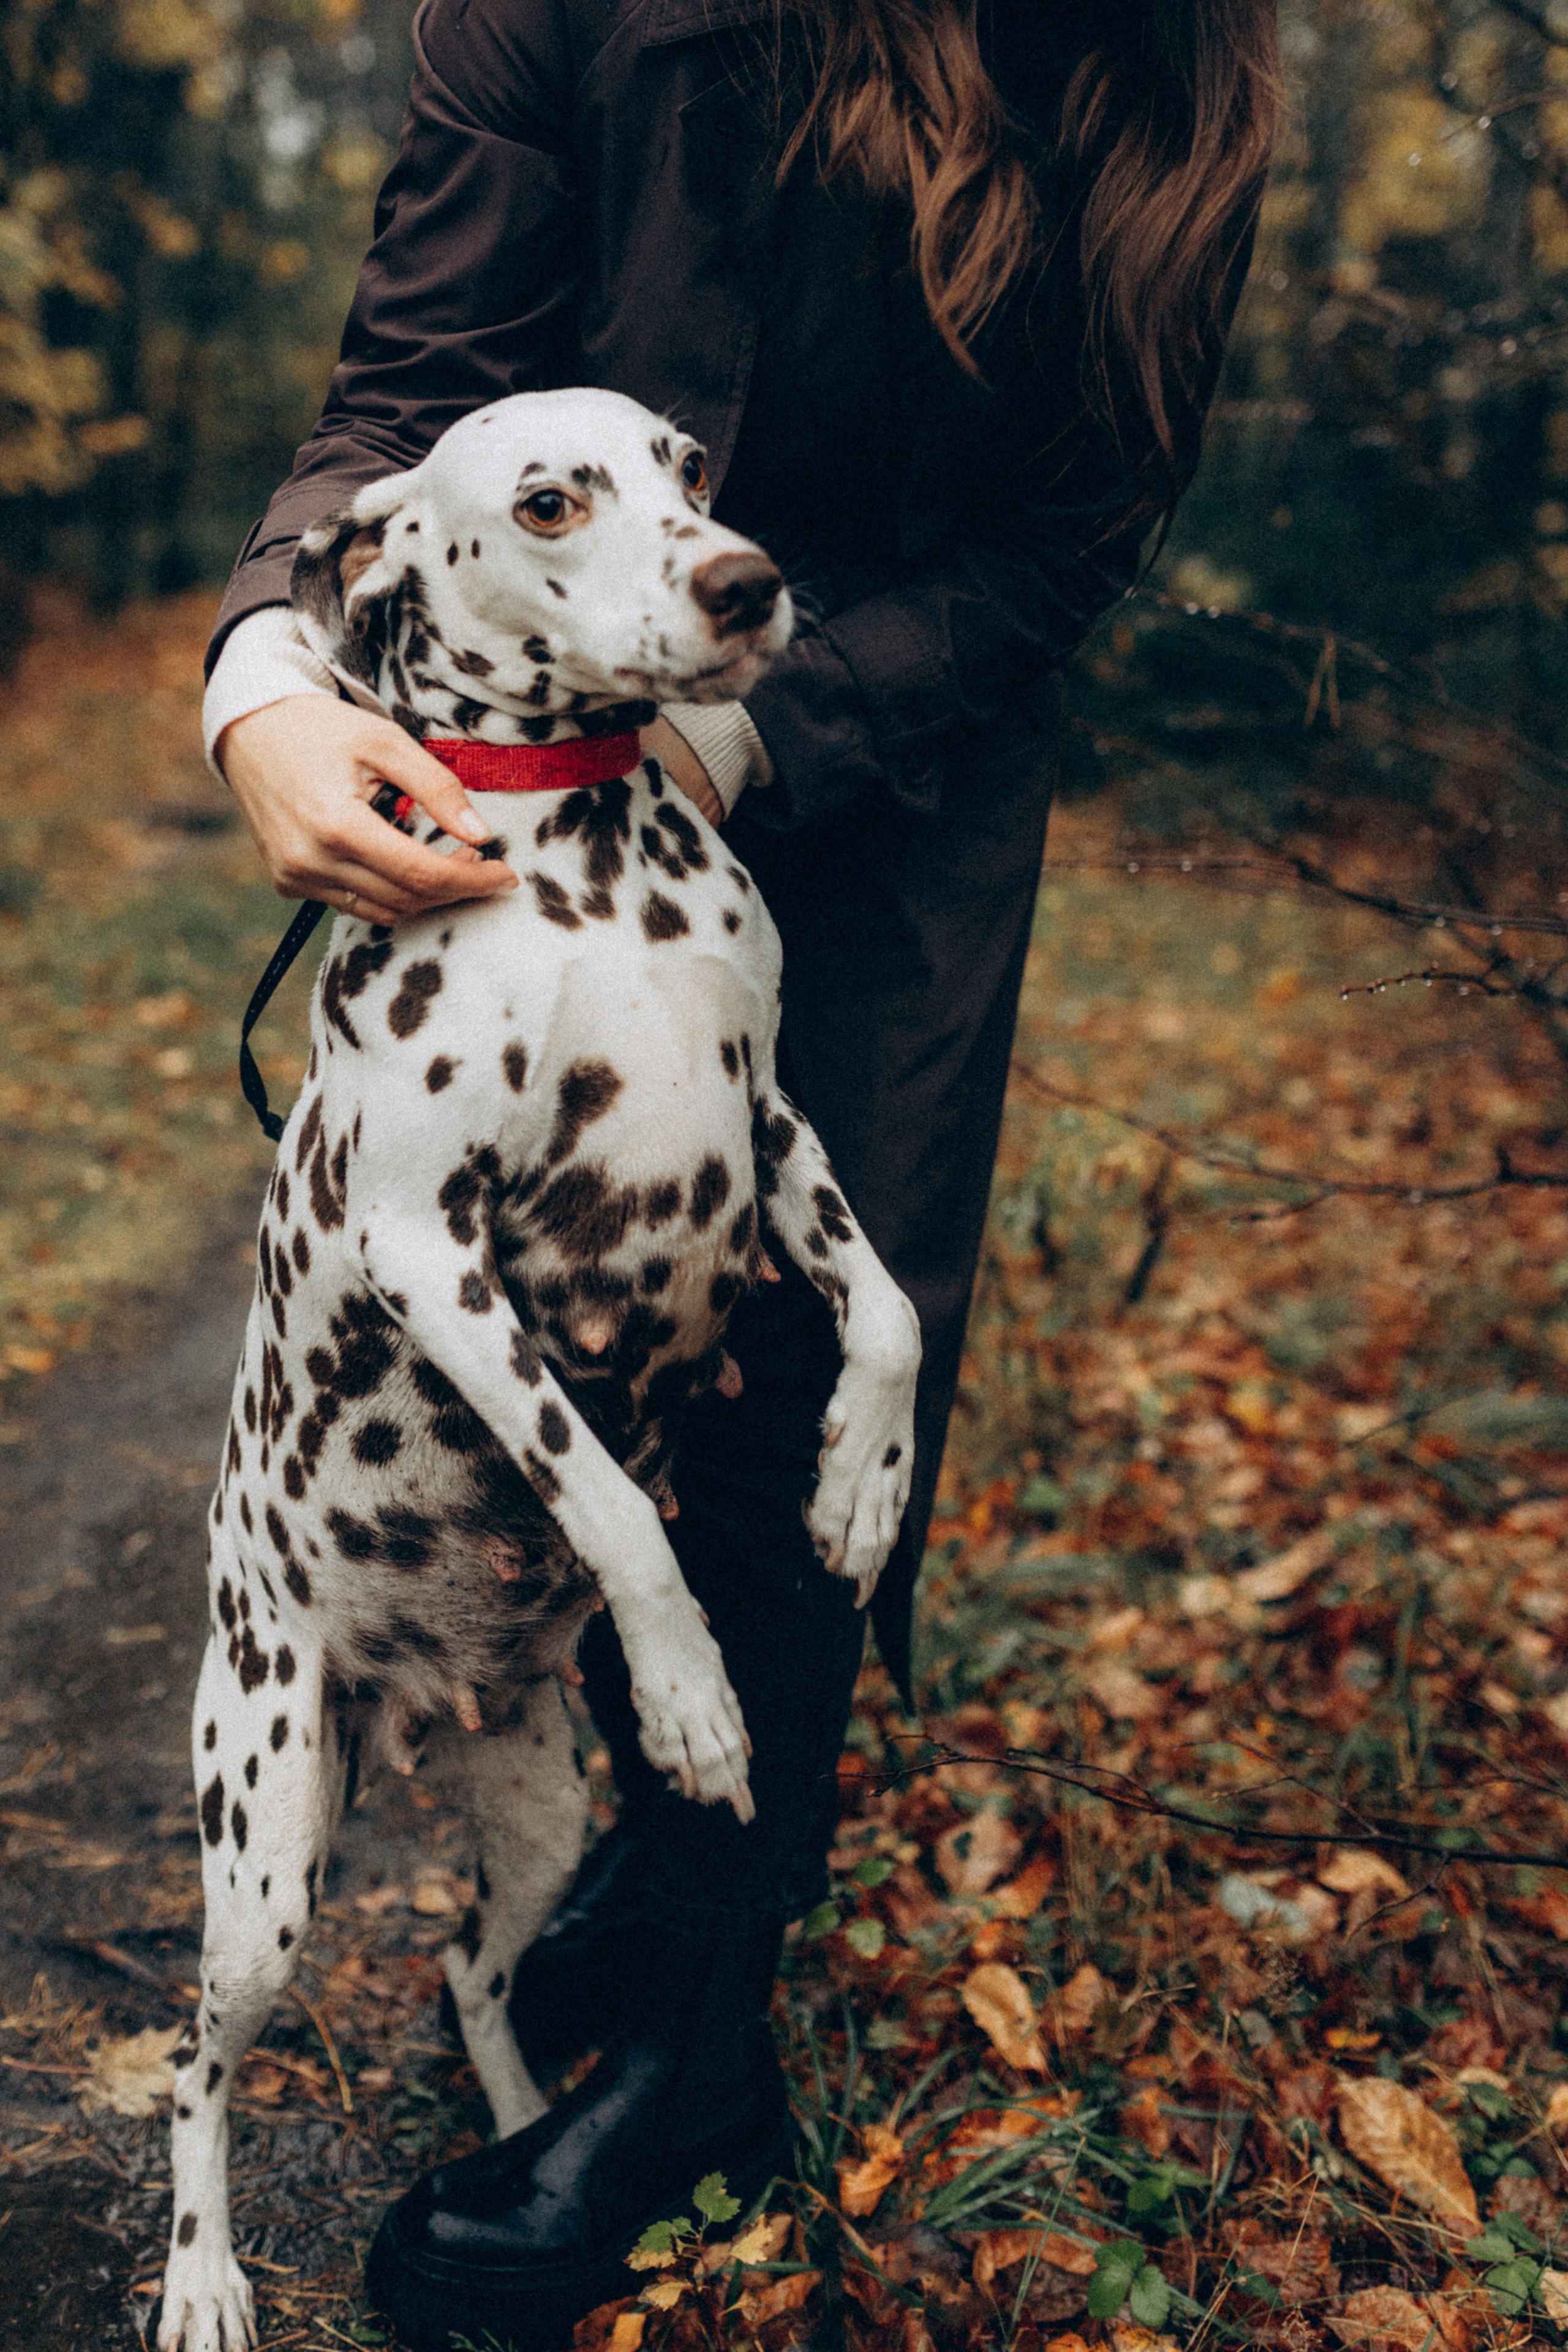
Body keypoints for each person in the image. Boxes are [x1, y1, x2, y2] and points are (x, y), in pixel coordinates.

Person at [200, 2, 1278, 2342]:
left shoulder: (1162, 78)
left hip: (880, 775)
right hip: (517, 739)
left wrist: (737, 732)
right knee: (548, 1319)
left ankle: (709, 2041)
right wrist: (265, 683)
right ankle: (645, 1862)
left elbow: (1052, 558)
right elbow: (409, 386)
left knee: (808, 1335)